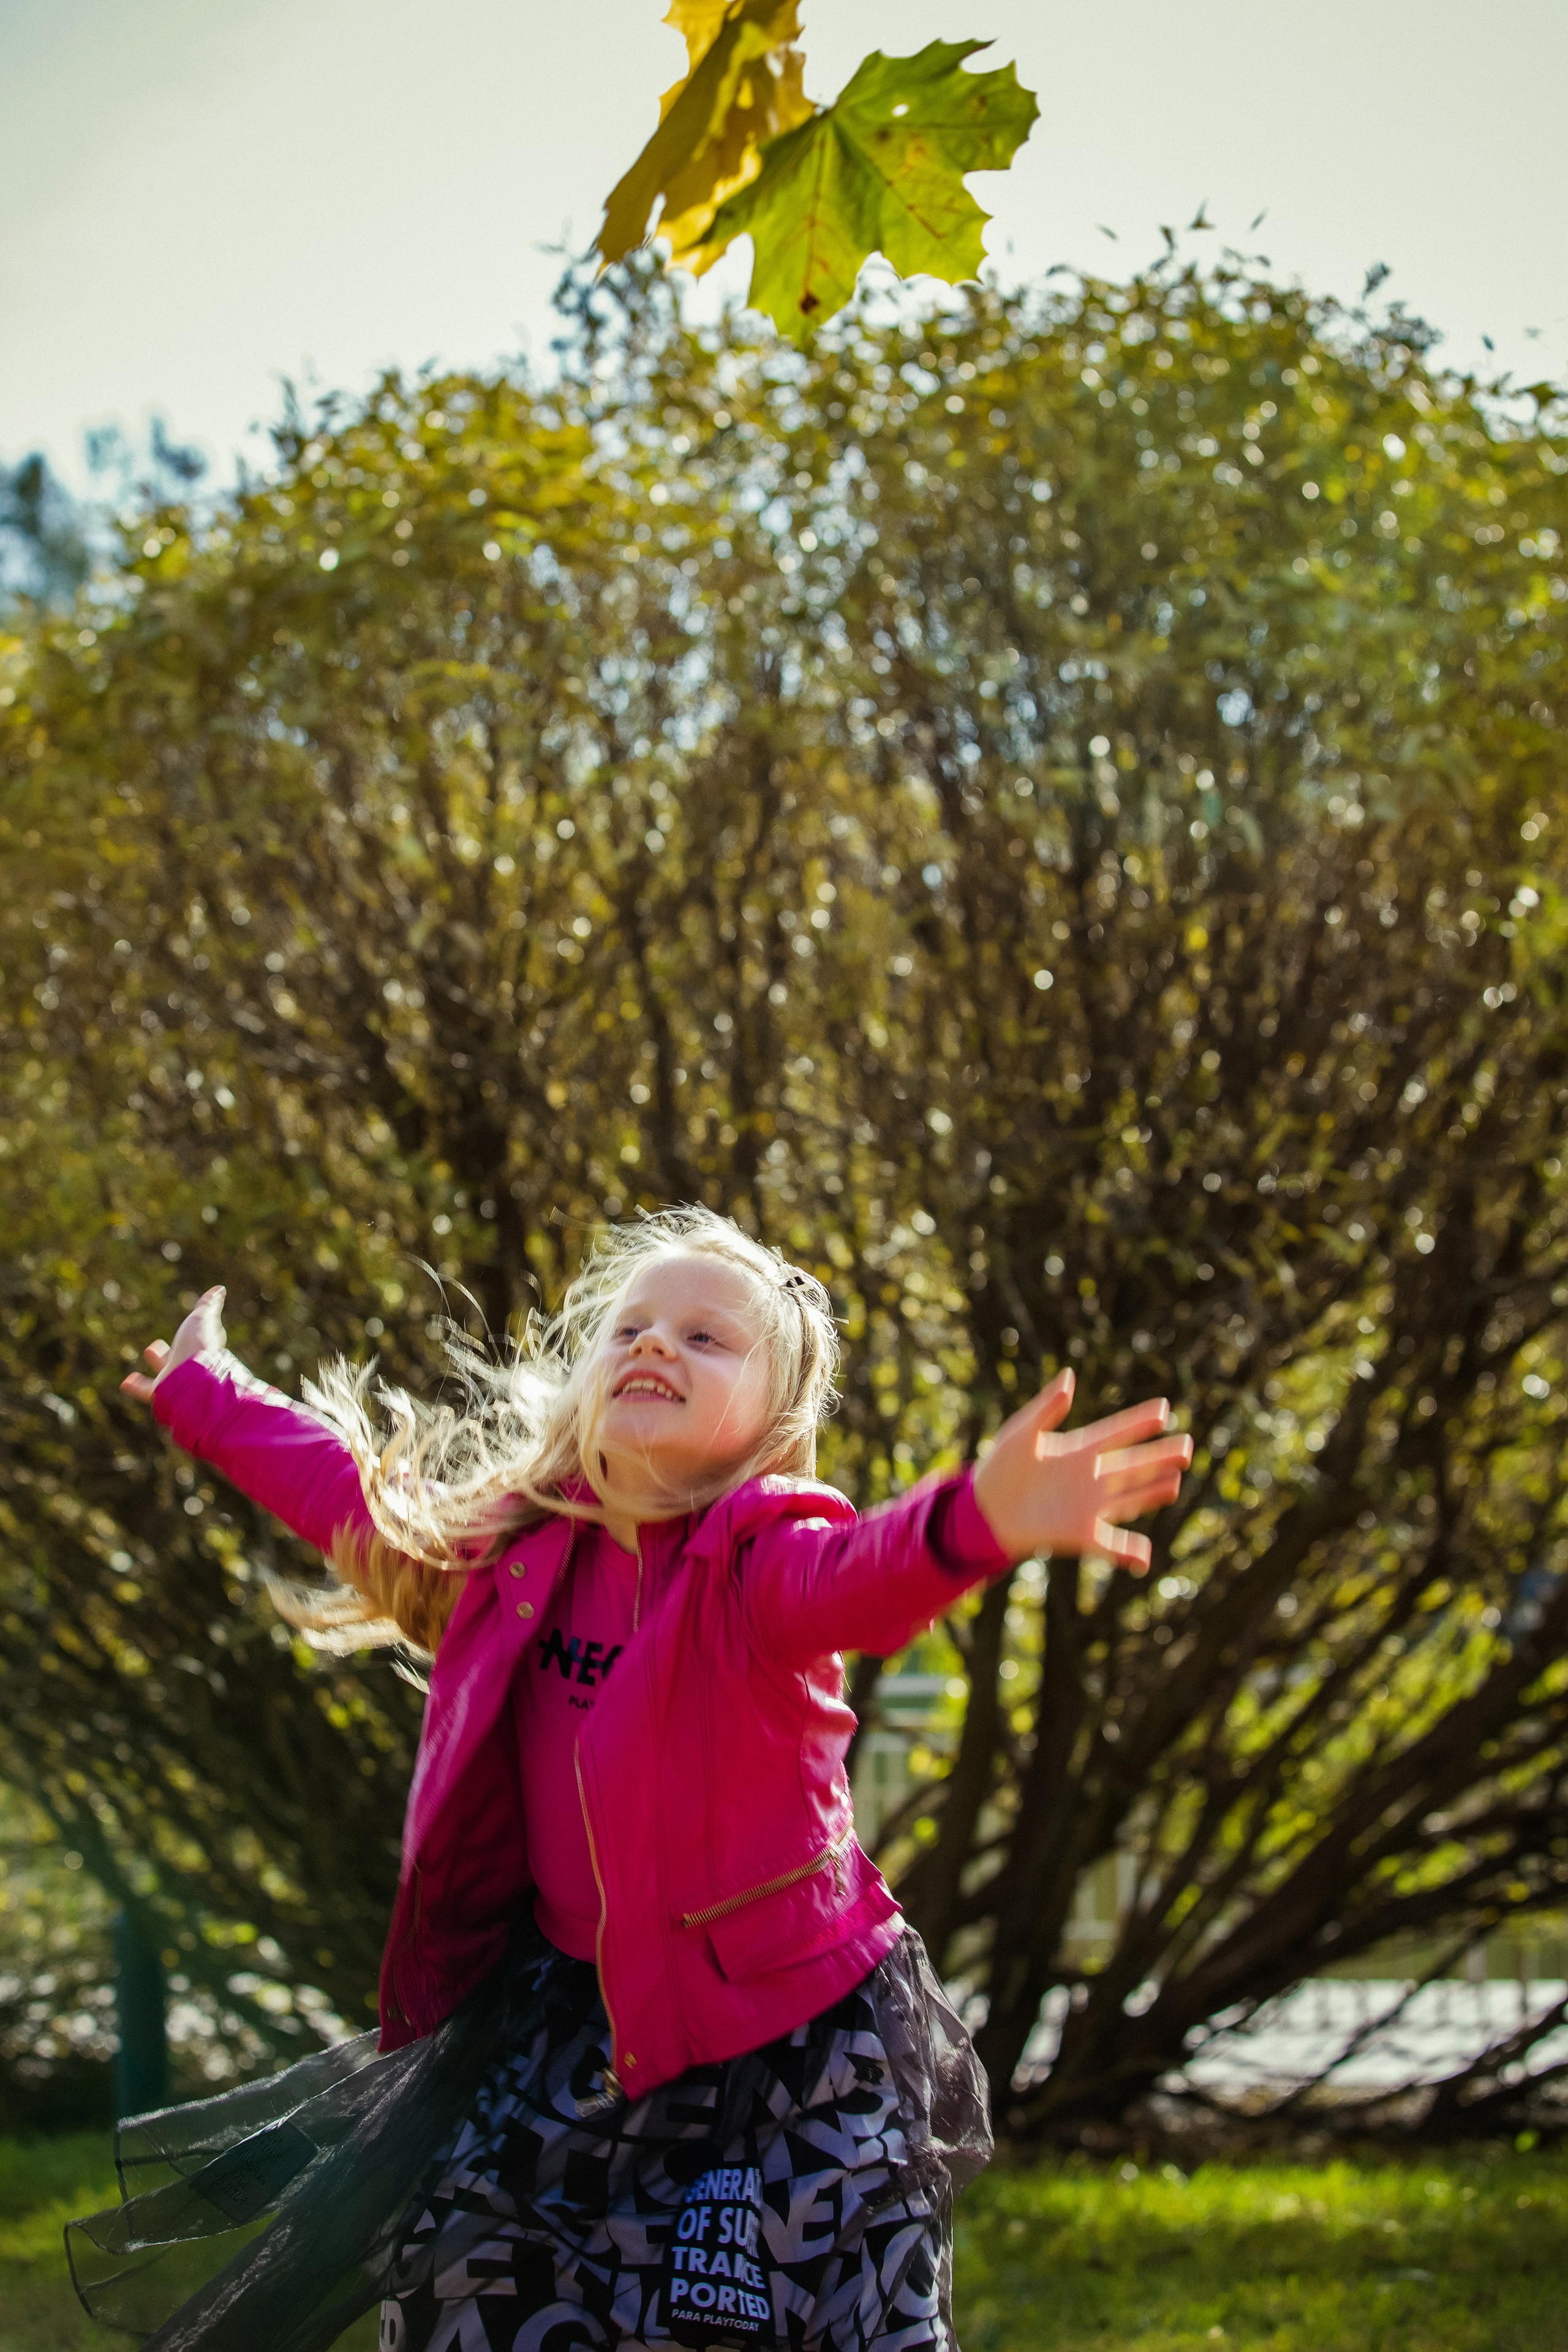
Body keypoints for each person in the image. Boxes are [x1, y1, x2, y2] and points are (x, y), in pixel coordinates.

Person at [74, 1206, 1190, 2352]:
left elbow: (866, 1578)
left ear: (772, 1424)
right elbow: (349, 1500)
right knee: (477, 2287)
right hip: (567, 2031)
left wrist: (979, 1521)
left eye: (707, 1340)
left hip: (789, 2046)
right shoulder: (514, 1560)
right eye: (633, 1327)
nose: (657, 1344)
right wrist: (207, 1394)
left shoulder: (764, 1566)